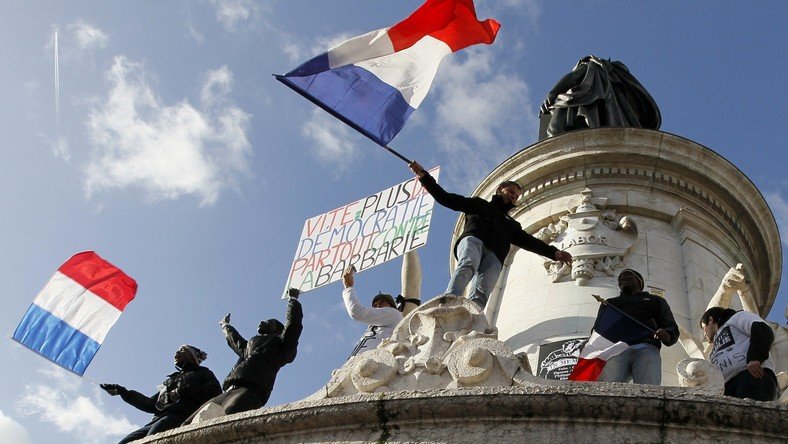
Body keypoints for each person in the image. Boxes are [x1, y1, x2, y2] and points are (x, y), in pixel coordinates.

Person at [409, 161, 572, 309]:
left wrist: (554, 253)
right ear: (500, 189)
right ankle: (449, 300)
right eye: (511, 191)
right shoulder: (478, 203)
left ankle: (473, 317)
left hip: (495, 255)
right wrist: (425, 177)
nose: (513, 197)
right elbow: (445, 198)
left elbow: (530, 242)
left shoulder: (512, 225)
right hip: (475, 239)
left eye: (516, 196)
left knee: (483, 288)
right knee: (468, 264)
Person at [185, 288, 303, 423]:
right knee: (187, 424)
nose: (261, 322)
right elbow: (235, 340)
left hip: (249, 391)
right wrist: (225, 325)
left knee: (226, 420)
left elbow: (293, 325)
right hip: (227, 391)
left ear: (277, 329)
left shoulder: (281, 345)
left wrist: (293, 300)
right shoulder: (249, 347)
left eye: (268, 321)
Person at [100, 344, 221, 443]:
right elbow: (150, 404)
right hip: (158, 418)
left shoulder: (204, 373)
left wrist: (185, 391)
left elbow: (213, 397)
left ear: (192, 356)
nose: (176, 352)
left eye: (182, 350)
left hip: (181, 416)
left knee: (153, 437)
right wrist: (122, 391)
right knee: (126, 441)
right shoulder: (171, 380)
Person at [596, 269, 679, 385]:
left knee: (649, 387)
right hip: (616, 349)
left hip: (646, 347)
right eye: (620, 279)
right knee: (606, 387)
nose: (623, 280)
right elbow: (599, 329)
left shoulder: (655, 300)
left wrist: (668, 334)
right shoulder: (611, 303)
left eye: (628, 277)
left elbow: (669, 324)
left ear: (639, 281)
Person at [700, 306, 779, 401]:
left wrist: (755, 358)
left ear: (710, 320)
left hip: (751, 375)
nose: (704, 334)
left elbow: (761, 329)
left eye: (703, 328)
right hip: (726, 387)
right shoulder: (714, 347)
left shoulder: (737, 318)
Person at [342, 266, 403, 357]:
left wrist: (348, 287)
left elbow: (356, 311)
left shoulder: (393, 313)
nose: (377, 306)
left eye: (382, 302)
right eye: (375, 305)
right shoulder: (377, 324)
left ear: (391, 305)